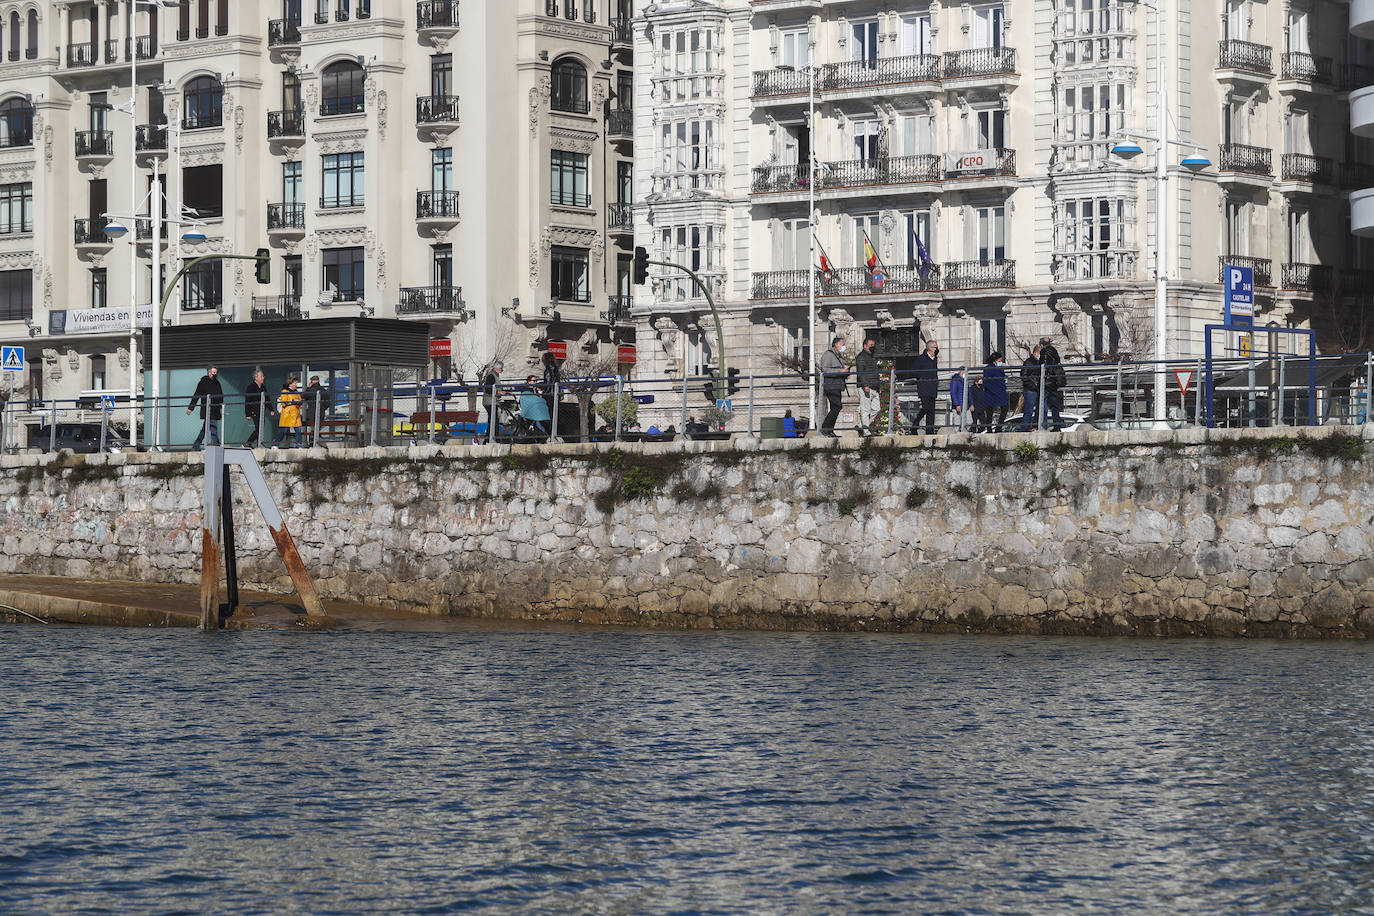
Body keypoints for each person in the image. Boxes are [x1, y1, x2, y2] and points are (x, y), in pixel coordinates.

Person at [817, 336, 850, 437]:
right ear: (836, 345)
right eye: (843, 344)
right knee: (837, 406)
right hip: (831, 385)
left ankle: (829, 430)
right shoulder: (828, 355)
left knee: (836, 407)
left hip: (837, 385)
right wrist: (840, 371)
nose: (844, 347)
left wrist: (845, 374)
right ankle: (826, 428)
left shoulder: (838, 356)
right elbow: (825, 369)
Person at [187, 365, 223, 449]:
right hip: (207, 408)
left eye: (216, 373)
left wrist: (221, 405)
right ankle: (217, 444)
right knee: (213, 426)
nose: (215, 374)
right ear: (209, 372)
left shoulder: (217, 383)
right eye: (214, 372)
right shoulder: (203, 382)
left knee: (205, 429)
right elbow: (197, 394)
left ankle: (196, 445)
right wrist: (190, 408)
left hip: (215, 408)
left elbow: (220, 395)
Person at [910, 338, 940, 434]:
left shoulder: (934, 359)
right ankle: (915, 424)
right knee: (925, 407)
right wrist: (923, 376)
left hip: (933, 386)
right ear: (930, 348)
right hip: (924, 386)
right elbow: (914, 371)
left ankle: (929, 430)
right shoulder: (921, 358)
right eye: (935, 347)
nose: (937, 349)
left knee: (931, 410)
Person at [854, 337, 881, 435]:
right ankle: (865, 431)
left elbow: (875, 372)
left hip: (874, 386)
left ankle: (862, 426)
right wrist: (865, 385)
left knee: (876, 409)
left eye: (873, 345)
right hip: (866, 387)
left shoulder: (872, 356)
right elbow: (860, 373)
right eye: (870, 345)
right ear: (865, 346)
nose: (872, 347)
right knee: (865, 409)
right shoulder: (861, 357)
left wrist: (878, 386)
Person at [243, 369, 274, 447]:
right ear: (256, 378)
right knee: (258, 429)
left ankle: (258, 444)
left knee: (261, 428)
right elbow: (247, 401)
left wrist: (271, 409)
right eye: (261, 376)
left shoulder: (263, 387)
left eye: (263, 376)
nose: (263, 378)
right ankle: (248, 442)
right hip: (254, 411)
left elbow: (267, 398)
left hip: (261, 411)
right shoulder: (251, 387)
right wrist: (248, 414)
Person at [1040, 343, 1067, 430]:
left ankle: (1042, 426)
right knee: (1055, 407)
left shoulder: (1044, 355)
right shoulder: (1056, 361)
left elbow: (1042, 367)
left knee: (1043, 406)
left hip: (1046, 384)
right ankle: (1057, 425)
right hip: (1054, 386)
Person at [982, 351, 1010, 432]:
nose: (1001, 362)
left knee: (1005, 408)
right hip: (991, 393)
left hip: (1000, 392)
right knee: (989, 412)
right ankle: (989, 428)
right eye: (999, 361)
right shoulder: (988, 368)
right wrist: (994, 390)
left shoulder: (1000, 369)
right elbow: (986, 382)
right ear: (995, 360)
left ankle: (999, 427)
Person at [273, 376, 303, 447]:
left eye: (296, 383)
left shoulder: (296, 392)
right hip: (287, 414)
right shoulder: (284, 391)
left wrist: (299, 402)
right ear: (290, 384)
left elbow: (300, 401)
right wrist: (293, 401)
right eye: (295, 383)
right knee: (284, 431)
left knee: (298, 430)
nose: (296, 385)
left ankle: (299, 444)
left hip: (296, 413)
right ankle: (275, 443)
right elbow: (284, 403)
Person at [302, 375, 333, 444]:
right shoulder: (323, 390)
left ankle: (313, 442)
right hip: (321, 413)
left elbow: (303, 396)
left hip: (311, 413)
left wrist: (308, 387)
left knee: (313, 428)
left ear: (312, 381)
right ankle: (317, 441)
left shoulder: (310, 390)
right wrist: (323, 408)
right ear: (318, 381)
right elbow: (328, 402)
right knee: (317, 428)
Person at [1019, 344, 1043, 431]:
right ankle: (1025, 428)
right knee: (1028, 410)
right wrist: (1033, 386)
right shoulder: (1029, 362)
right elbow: (1024, 376)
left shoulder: (1038, 362)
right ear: (1036, 353)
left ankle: (1033, 426)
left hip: (1036, 389)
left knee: (1038, 409)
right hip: (1030, 390)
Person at [482, 360, 504, 434]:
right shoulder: (491, 376)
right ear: (497, 368)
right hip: (489, 401)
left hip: (492, 400)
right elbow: (488, 389)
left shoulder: (494, 375)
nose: (502, 371)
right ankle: (492, 436)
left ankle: (490, 436)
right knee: (493, 419)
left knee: (493, 419)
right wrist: (498, 392)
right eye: (501, 369)